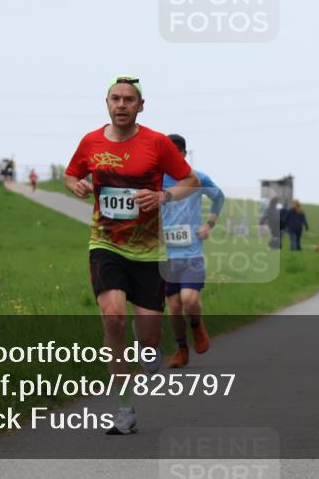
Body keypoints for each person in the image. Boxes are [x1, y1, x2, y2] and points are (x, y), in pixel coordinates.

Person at [64, 76, 199, 435]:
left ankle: (150, 346)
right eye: (115, 99)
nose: (121, 105)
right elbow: (71, 174)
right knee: (112, 318)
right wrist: (76, 184)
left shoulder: (156, 142)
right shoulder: (90, 141)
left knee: (150, 337)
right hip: (105, 242)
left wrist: (163, 197)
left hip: (148, 249)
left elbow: (190, 182)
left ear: (141, 106)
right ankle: (124, 411)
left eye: (129, 100)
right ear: (106, 103)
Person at [161, 133, 225, 369]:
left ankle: (197, 327)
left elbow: (219, 198)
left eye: (177, 153)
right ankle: (181, 350)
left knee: (189, 299)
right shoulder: (156, 180)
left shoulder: (198, 178)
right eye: (168, 153)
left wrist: (209, 224)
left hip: (192, 253)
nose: (173, 157)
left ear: (184, 154)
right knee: (174, 308)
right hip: (166, 255)